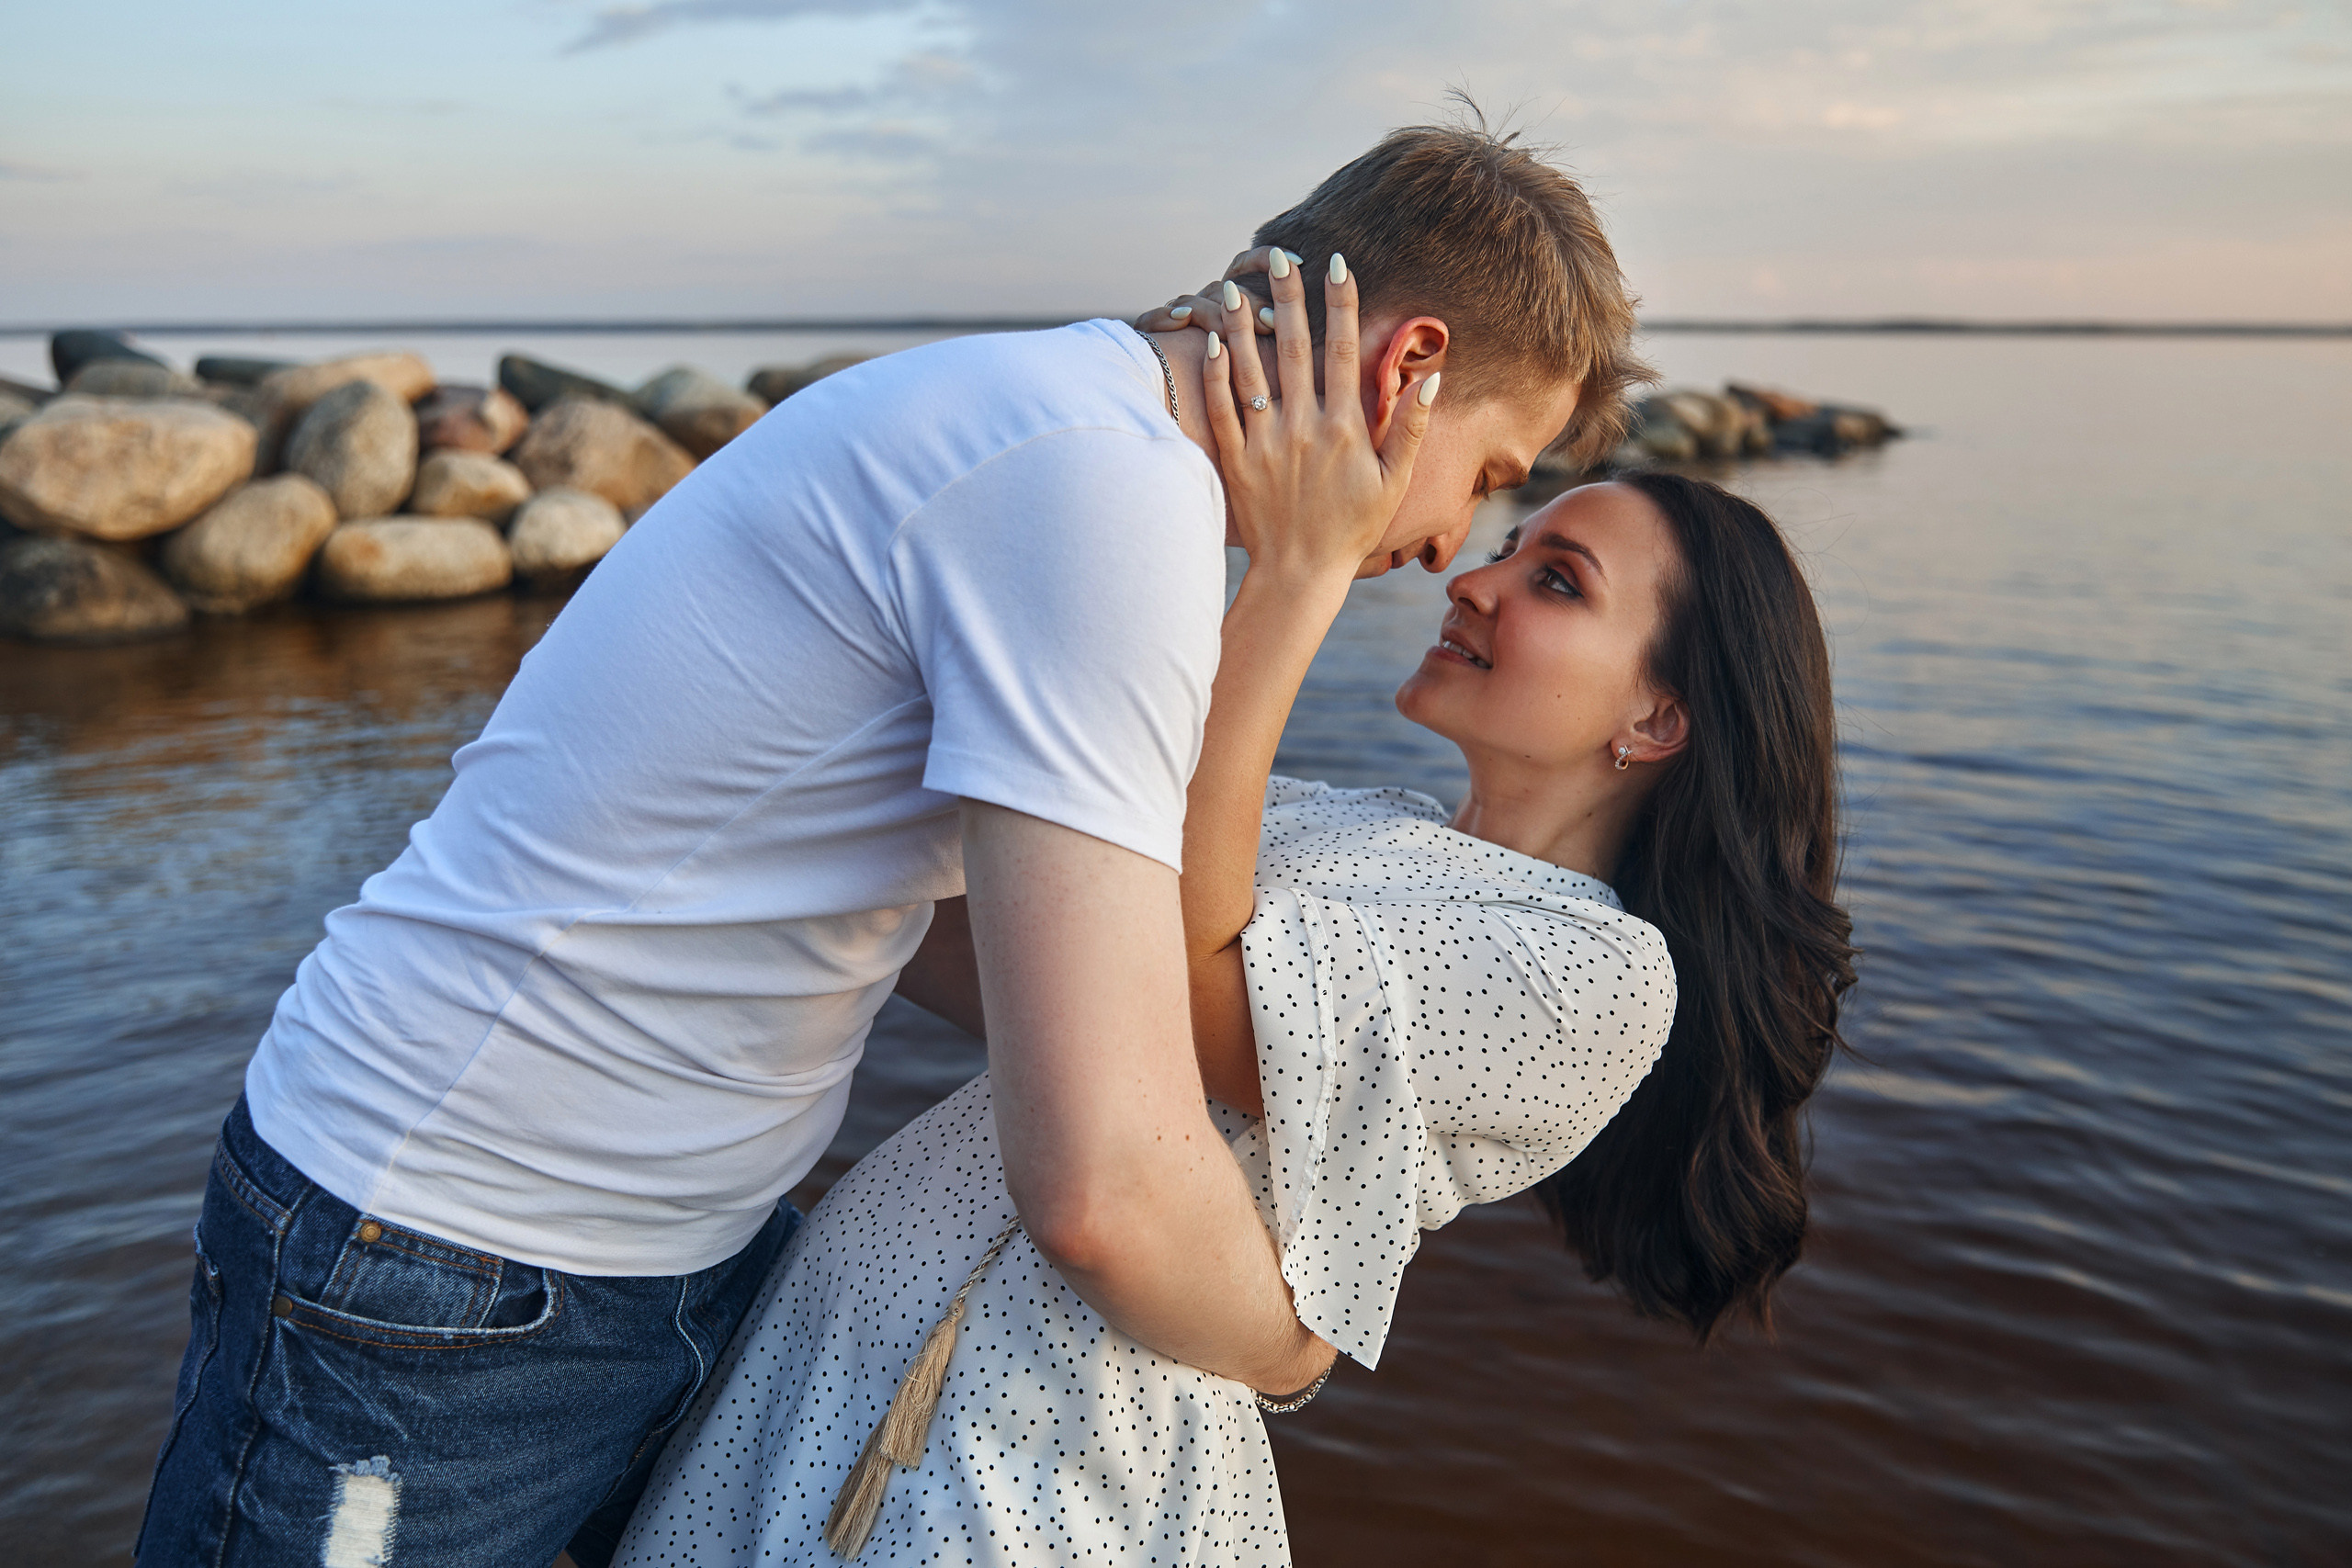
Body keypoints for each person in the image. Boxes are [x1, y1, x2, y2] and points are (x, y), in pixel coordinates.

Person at [135, 117, 1648, 1568]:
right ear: (1407, 368)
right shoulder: (1105, 495)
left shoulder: (1071, 423)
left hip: (640, 1251)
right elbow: (1102, 1195)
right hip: (447, 1252)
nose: (1451, 545)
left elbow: (962, 931)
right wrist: (1295, 1345)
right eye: (1489, 478)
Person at [608, 271, 1855, 1565]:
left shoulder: (1599, 977)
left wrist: (1299, 573)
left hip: (1023, 1465)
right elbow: (1017, 940)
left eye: (1557, 583)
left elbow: (1194, 989)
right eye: (1505, 544)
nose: (1472, 581)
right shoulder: (1358, 821)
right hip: (837, 1367)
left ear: (1658, 719)